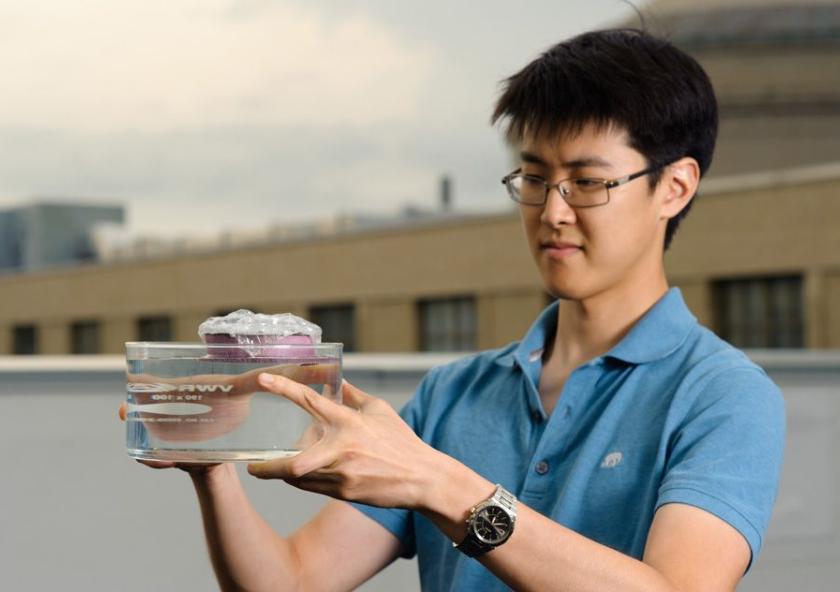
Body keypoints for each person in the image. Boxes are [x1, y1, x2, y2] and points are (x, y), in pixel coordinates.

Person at [127, 28, 785, 591]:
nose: (553, 212)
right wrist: (212, 468)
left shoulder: (724, 396)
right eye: (534, 178)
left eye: (587, 182)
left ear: (675, 187)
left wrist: (437, 483)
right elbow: (293, 580)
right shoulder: (453, 395)